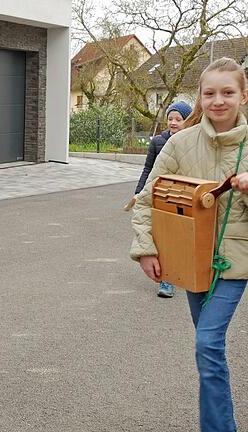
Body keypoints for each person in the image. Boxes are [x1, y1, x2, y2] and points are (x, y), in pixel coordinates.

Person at [131, 57, 248, 432]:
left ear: (243, 96)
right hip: (189, 259)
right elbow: (149, 198)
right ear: (199, 97)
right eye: (210, 93)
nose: (218, 101)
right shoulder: (180, 143)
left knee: (207, 344)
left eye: (227, 92)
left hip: (235, 262)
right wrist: (146, 248)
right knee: (208, 349)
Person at [132, 100, 192, 298]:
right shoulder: (158, 141)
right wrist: (139, 191)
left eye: (178, 119)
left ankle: (182, 271)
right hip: (159, 196)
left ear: (188, 121)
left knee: (180, 236)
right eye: (170, 118)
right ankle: (166, 280)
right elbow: (148, 169)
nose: (173, 122)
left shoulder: (191, 142)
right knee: (163, 236)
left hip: (181, 197)